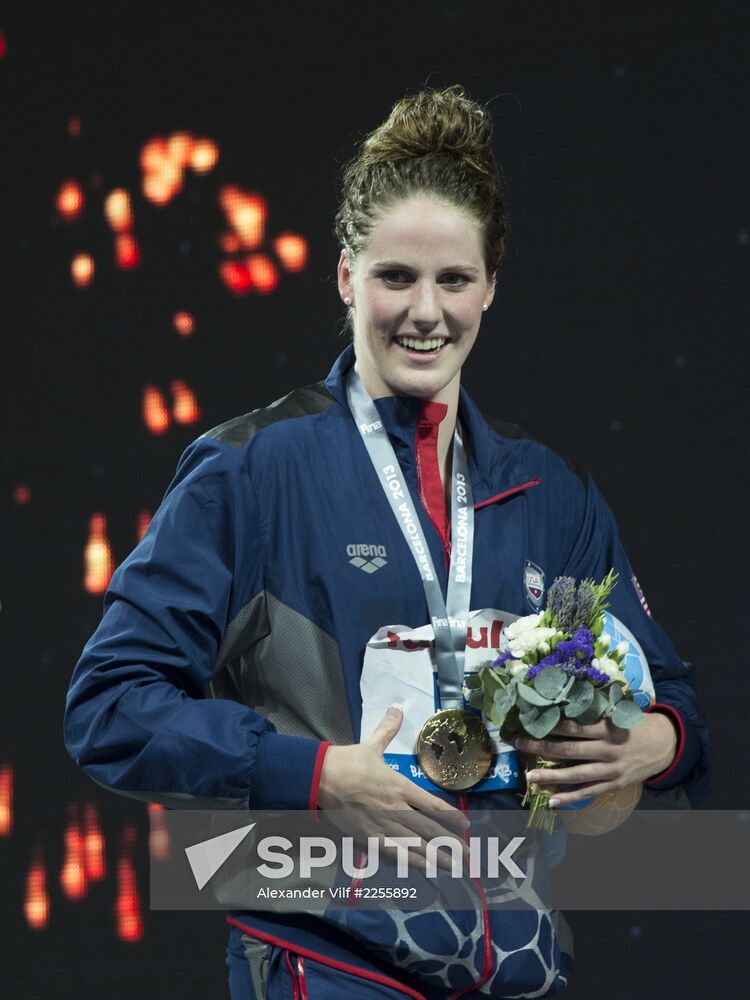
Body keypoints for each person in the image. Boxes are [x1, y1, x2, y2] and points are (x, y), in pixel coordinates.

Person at [64, 86, 710, 999]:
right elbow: (109, 707)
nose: (425, 312)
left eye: (452, 280)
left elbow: (678, 707)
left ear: (491, 287)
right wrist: (317, 774)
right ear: (345, 277)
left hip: (516, 970)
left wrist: (651, 741)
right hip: (328, 958)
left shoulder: (550, 495)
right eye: (395, 277)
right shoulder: (252, 473)